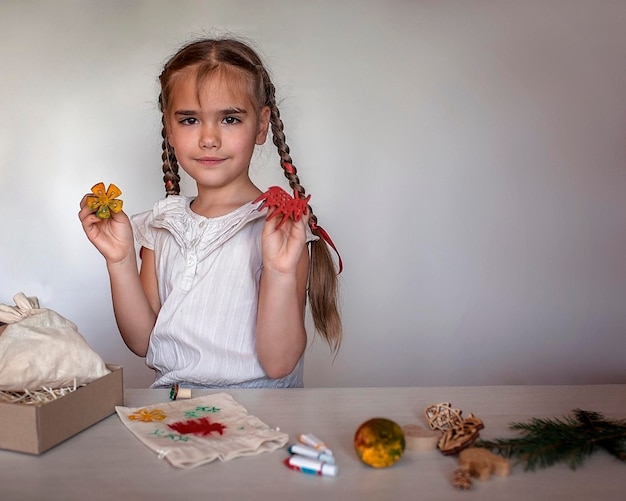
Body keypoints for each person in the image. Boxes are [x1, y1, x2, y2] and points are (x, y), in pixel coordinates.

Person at [79, 37, 342, 389]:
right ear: (169, 129)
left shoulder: (279, 227)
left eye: (230, 119)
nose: (208, 138)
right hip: (178, 413)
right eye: (189, 120)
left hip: (260, 416)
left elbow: (279, 363)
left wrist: (280, 271)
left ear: (262, 125)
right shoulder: (163, 225)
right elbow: (143, 341)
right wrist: (120, 260)